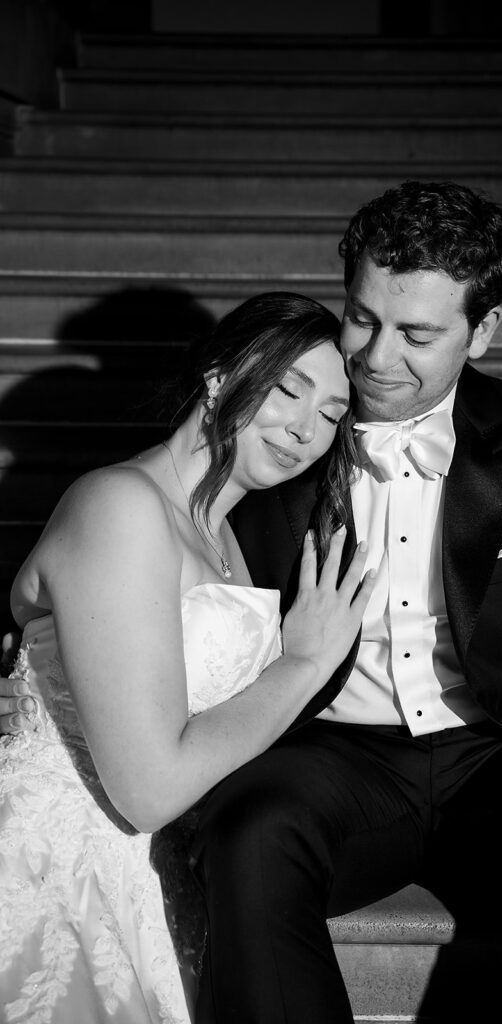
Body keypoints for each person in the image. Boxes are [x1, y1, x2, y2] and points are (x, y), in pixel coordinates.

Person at [3, 181, 502, 1023]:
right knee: (248, 834)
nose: (374, 359)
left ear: (484, 331)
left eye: (418, 334)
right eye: (362, 318)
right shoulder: (281, 428)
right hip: (331, 755)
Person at [0, 292, 375, 1024]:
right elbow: (147, 788)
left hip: (162, 874)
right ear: (217, 376)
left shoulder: (224, 537)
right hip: (63, 867)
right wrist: (299, 666)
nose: (305, 429)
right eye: (288, 389)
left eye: (332, 415)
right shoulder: (120, 503)